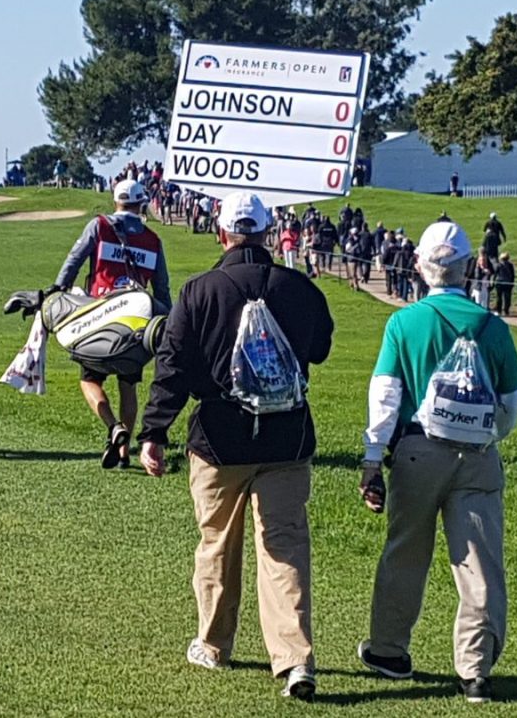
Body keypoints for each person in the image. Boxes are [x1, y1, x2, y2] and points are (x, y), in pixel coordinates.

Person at [138, 191, 333, 701]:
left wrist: (154, 432)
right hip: (287, 439)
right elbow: (321, 347)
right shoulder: (299, 288)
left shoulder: (200, 291)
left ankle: (213, 644)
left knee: (217, 544)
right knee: (285, 546)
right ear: (267, 234)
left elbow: (172, 368)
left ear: (222, 233)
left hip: (219, 442)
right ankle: (294, 660)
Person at [358, 221, 517, 704]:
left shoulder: (405, 323)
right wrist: (488, 435)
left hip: (416, 450)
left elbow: (385, 396)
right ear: (468, 266)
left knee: (405, 553)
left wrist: (372, 458)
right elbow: (510, 403)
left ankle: (389, 649)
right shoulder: (491, 326)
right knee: (478, 564)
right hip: (477, 457)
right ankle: (475, 669)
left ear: (420, 266)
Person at [53, 179, 171, 469]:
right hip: (135, 321)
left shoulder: (100, 226)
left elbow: (74, 260)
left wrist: (58, 290)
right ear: (141, 203)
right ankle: (124, 452)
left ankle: (113, 426)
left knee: (89, 379)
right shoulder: (153, 240)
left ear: (115, 200)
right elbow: (163, 290)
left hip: (99, 317)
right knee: (128, 385)